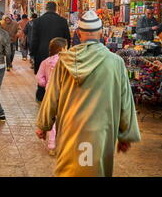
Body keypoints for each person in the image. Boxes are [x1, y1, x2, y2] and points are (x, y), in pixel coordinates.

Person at [36, 11, 141, 177]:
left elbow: (52, 96)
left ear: (78, 33)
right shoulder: (115, 62)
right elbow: (125, 101)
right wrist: (126, 135)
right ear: (101, 32)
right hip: (101, 132)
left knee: (69, 171)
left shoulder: (64, 61)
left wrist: (43, 125)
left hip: (71, 130)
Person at [36, 37, 68, 155]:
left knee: (51, 117)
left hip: (50, 91)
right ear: (62, 49)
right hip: (65, 92)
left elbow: (39, 78)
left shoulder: (45, 62)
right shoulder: (67, 62)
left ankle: (52, 145)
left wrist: (45, 85)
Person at [31, 2, 71, 74]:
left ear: (46, 9)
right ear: (56, 9)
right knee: (57, 77)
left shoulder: (37, 21)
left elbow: (34, 39)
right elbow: (67, 39)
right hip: (58, 53)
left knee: (43, 76)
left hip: (41, 53)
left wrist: (32, 53)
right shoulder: (63, 21)